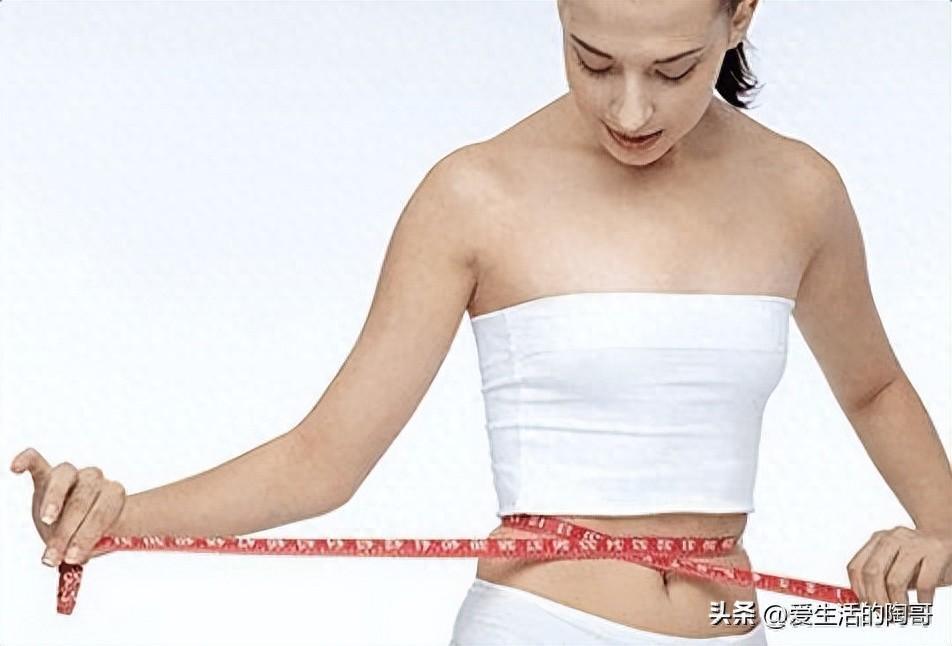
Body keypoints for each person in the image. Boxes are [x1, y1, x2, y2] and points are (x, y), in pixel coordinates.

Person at [10, 0, 952, 644]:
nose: (630, 109)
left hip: (733, 627)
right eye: (593, 60)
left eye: (674, 70)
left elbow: (873, 387)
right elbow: (323, 458)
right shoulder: (475, 195)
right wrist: (122, 516)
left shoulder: (799, 192)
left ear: (741, 15)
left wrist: (944, 536)